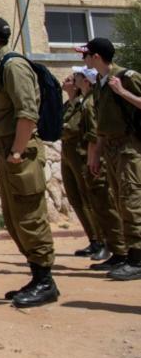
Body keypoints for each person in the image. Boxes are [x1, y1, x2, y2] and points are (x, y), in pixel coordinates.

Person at [0, 16, 58, 305]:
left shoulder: (13, 66)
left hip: (20, 152)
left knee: (29, 216)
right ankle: (38, 277)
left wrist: (18, 151)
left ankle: (45, 281)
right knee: (14, 217)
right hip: (8, 151)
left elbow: (27, 113)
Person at [80, 37, 141, 280]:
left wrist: (122, 92)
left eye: (87, 54)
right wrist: (96, 155)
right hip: (112, 149)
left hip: (130, 148)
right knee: (120, 201)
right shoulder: (100, 85)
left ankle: (138, 258)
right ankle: (127, 254)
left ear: (96, 56)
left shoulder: (125, 78)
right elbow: (103, 126)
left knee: (131, 201)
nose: (84, 59)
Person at [70, 66, 119, 264]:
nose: (74, 79)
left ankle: (119, 249)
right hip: (80, 157)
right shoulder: (82, 102)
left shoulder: (89, 103)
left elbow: (93, 134)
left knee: (104, 203)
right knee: (94, 202)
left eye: (77, 76)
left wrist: (93, 157)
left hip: (87, 157)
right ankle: (111, 246)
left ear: (87, 81)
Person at [60, 68, 107, 262]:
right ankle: (93, 238)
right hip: (68, 156)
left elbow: (73, 128)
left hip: (81, 155)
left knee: (90, 198)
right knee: (75, 199)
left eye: (72, 78)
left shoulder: (83, 104)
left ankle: (103, 239)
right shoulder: (67, 105)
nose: (67, 80)